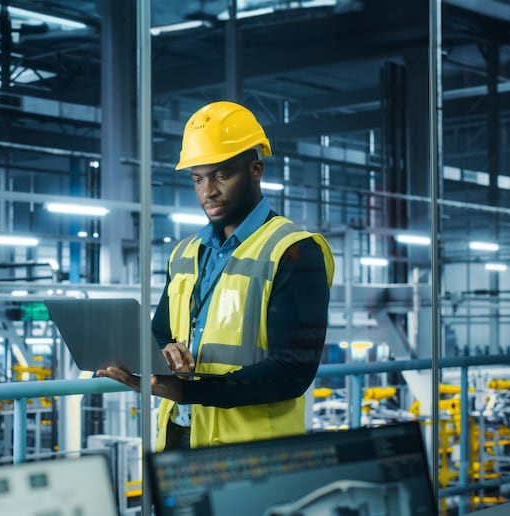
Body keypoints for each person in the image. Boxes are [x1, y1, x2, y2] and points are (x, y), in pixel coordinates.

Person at [97, 101, 334, 450]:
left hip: (253, 452)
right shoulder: (185, 253)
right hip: (180, 437)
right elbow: (160, 332)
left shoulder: (294, 251)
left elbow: (291, 373)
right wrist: (164, 352)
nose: (208, 191)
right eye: (198, 178)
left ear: (255, 169)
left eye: (222, 175)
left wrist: (186, 390)